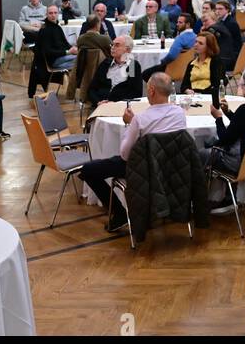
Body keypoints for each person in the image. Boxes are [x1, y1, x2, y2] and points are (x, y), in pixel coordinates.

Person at [80, 73, 187, 233]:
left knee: (88, 170)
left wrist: (128, 124)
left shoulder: (140, 120)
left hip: (142, 170)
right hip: (171, 167)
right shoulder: (179, 114)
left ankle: (120, 213)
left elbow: (124, 154)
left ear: (151, 91)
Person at [27, 6, 76, 98]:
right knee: (82, 59)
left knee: (82, 57)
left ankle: (76, 89)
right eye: (50, 13)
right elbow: (48, 52)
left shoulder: (57, 27)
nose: (53, 15)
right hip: (52, 61)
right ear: (46, 14)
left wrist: (73, 49)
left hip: (60, 57)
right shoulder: (45, 30)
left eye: (55, 13)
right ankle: (76, 90)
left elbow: (65, 43)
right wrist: (68, 52)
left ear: (58, 14)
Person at [90, 35, 143, 106]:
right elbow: (92, 89)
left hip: (121, 106)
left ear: (128, 50)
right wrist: (98, 102)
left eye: (117, 45)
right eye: (112, 44)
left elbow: (136, 93)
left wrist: (115, 103)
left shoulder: (132, 66)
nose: (112, 48)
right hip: (100, 105)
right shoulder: (105, 63)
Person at [209, 0, 242, 68]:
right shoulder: (221, 21)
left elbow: (228, 43)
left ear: (227, 10)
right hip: (226, 52)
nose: (217, 11)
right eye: (216, 9)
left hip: (229, 56)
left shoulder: (231, 23)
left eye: (220, 9)